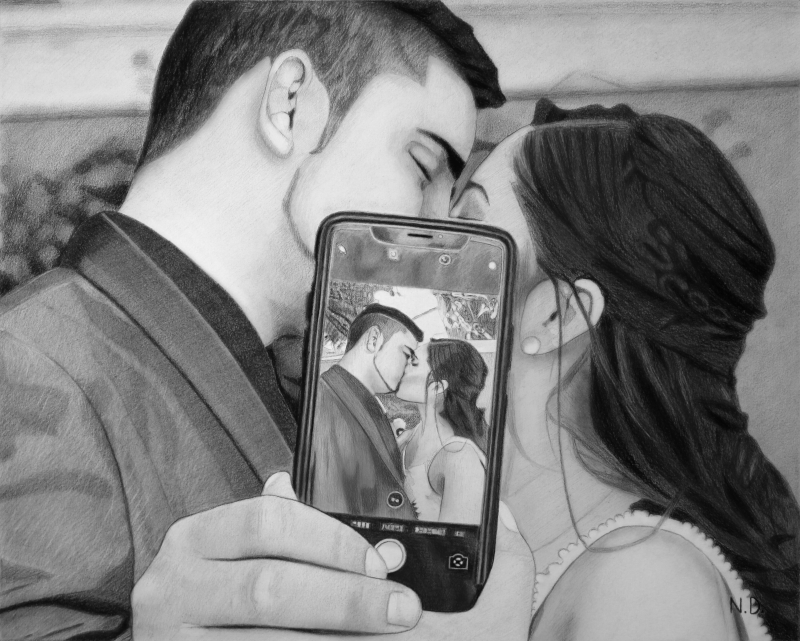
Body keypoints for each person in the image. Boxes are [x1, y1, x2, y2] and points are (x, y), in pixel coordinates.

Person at [0, 2, 541, 639]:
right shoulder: (24, 365)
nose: (435, 225)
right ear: (289, 103)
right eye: (423, 166)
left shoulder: (295, 380)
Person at [449, 99, 799, 640]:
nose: (425, 243)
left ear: (559, 314)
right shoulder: (566, 554)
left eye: (467, 226)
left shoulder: (644, 587)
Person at [310, 304, 422, 519]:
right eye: (406, 354)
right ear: (373, 340)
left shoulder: (359, 399)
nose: (409, 367)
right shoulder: (323, 400)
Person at [395, 339, 488, 524]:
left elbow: (460, 537)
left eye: (413, 363)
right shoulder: (408, 436)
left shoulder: (458, 456)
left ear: (437, 386)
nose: (402, 366)